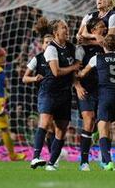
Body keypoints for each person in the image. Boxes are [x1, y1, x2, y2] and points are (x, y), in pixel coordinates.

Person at [78, 34, 115, 171]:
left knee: (103, 130)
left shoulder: (97, 58)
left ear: (103, 45)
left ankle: (108, 163)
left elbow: (83, 74)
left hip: (106, 95)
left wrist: (76, 72)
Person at [30, 17, 80, 171]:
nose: (67, 29)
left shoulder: (72, 47)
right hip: (49, 91)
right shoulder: (51, 48)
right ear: (55, 32)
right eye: (63, 27)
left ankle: (52, 163)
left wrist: (76, 83)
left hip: (65, 93)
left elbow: (76, 68)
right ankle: (36, 157)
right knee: (44, 123)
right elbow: (56, 72)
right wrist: (73, 67)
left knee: (61, 129)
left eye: (66, 26)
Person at [74, 17, 106, 171]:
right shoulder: (80, 49)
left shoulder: (105, 46)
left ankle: (104, 159)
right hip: (85, 89)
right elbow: (74, 71)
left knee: (101, 123)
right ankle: (84, 162)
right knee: (89, 119)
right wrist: (77, 86)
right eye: (101, 27)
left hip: (101, 89)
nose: (104, 29)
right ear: (92, 30)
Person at [23, 24, 56, 169]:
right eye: (46, 42)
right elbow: (24, 78)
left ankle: (53, 158)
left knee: (53, 128)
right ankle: (36, 156)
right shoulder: (37, 59)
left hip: (60, 95)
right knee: (45, 124)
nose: (49, 44)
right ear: (42, 45)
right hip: (45, 94)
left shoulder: (58, 57)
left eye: (51, 42)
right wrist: (34, 78)